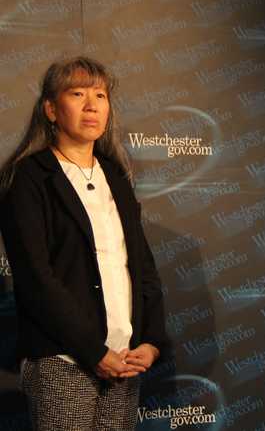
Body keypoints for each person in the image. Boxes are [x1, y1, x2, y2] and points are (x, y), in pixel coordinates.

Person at [0, 57, 167, 430]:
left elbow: (142, 266)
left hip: (124, 361)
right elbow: (35, 279)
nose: (92, 105)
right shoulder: (29, 179)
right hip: (63, 360)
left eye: (100, 95)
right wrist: (93, 352)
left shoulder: (115, 176)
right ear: (51, 109)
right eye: (77, 94)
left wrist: (152, 340)